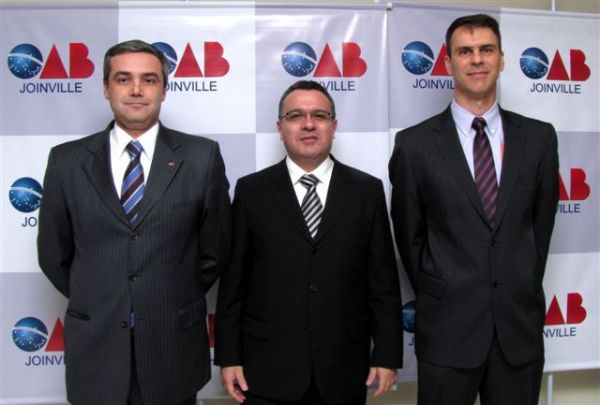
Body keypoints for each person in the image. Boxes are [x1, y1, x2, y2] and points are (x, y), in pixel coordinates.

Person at [37, 39, 231, 405]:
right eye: (124, 79)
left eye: (149, 79)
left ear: (165, 89)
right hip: (96, 349)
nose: (137, 89)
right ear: (106, 88)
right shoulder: (66, 161)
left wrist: (164, 293)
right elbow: (54, 255)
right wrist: (103, 295)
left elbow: (215, 251)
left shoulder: (201, 157)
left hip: (172, 349)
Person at [389, 14, 559, 405]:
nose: (477, 59)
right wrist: (444, 288)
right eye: (465, 51)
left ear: (502, 59)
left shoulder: (539, 139)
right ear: (448, 63)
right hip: (447, 331)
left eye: (486, 49)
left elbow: (541, 230)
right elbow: (410, 238)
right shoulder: (414, 145)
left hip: (518, 331)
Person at [215, 80, 403, 405]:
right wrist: (229, 356)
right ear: (280, 128)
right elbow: (234, 285)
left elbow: (383, 285)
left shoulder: (367, 192)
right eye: (295, 116)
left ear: (334, 126)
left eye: (319, 115)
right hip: (267, 370)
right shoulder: (252, 192)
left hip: (343, 370)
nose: (308, 124)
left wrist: (386, 355)